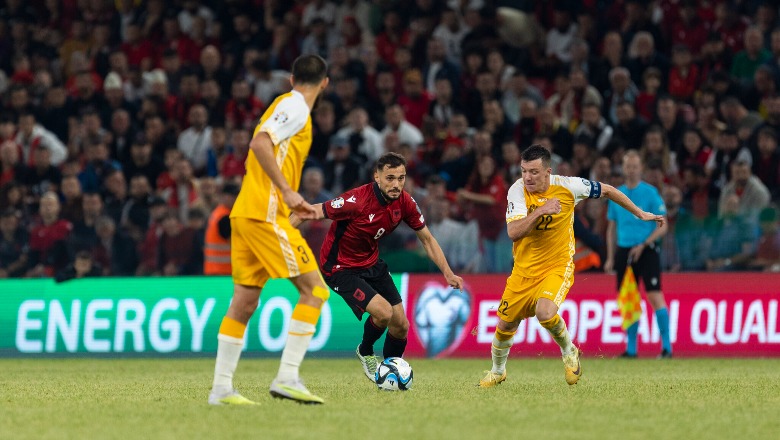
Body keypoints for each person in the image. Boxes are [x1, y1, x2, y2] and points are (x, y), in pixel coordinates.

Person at [479, 145, 664, 388]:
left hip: (558, 265)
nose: (527, 177)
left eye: (534, 172)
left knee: (545, 313)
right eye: (524, 171)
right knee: (505, 325)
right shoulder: (517, 190)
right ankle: (498, 371)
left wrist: (639, 213)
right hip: (523, 271)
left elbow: (607, 190)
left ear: (548, 171)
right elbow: (513, 232)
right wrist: (542, 210)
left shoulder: (569, 186)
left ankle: (569, 352)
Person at [208, 54, 331, 406]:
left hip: (247, 213)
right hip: (264, 214)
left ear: (292, 78)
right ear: (324, 83)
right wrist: (289, 193)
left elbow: (268, 152)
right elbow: (260, 142)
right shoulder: (295, 107)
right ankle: (288, 377)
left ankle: (221, 390)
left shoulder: (285, 102)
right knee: (315, 291)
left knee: (245, 302)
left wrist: (292, 203)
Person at [291, 152, 464, 381]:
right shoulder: (357, 200)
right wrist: (281, 238)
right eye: (390, 178)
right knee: (384, 312)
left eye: (401, 178)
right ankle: (365, 351)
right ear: (377, 177)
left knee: (401, 326)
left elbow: (427, 239)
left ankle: (391, 375)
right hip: (339, 268)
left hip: (372, 264)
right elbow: (308, 211)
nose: (396, 184)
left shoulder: (405, 203)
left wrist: (448, 273)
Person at [604, 150, 671, 359]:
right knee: (627, 299)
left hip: (647, 249)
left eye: (635, 166)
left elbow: (663, 226)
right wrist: (610, 256)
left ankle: (667, 347)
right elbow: (611, 229)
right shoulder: (617, 194)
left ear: (640, 168)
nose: (631, 170)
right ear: (623, 169)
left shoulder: (650, 193)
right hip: (624, 250)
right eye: (628, 167)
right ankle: (631, 350)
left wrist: (644, 243)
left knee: (654, 294)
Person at [203, 183, 240, 275]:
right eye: (232, 195)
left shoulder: (217, 213)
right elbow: (237, 243)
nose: (236, 198)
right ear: (224, 196)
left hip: (214, 269)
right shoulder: (225, 217)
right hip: (223, 271)